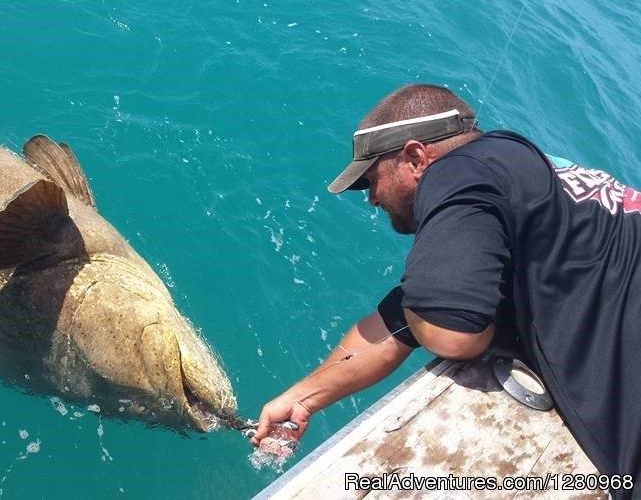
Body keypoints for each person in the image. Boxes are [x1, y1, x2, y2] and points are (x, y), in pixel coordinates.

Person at [251, 84, 640, 492]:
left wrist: (426, 291)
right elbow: (396, 326)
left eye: (372, 181)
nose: (372, 200)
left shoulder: (459, 171)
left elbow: (452, 333)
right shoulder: (529, 174)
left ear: (416, 157)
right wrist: (304, 398)